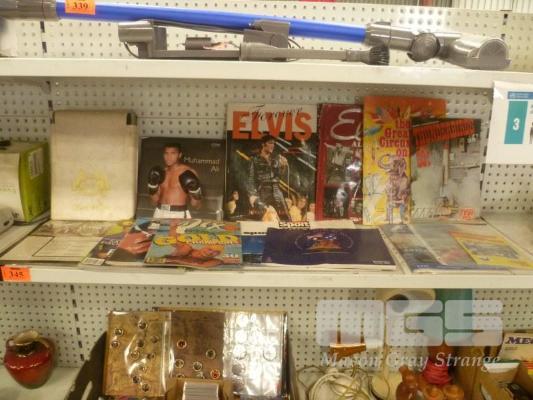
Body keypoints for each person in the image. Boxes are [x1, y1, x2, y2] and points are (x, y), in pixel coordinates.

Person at [147, 143, 202, 219]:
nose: (169, 157)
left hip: (178, 214)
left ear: (179, 155)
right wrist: (152, 186)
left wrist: (195, 191)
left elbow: (197, 205)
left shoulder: (188, 172)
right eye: (166, 153)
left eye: (173, 153)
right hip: (159, 212)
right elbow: (154, 202)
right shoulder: (161, 173)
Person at [247, 135, 289, 221]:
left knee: (286, 219)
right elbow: (250, 179)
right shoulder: (254, 159)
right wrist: (253, 196)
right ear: (263, 144)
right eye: (270, 143)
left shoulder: (275, 159)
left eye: (273, 143)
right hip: (263, 191)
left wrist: (283, 167)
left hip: (277, 191)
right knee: (263, 218)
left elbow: (279, 177)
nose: (272, 145)